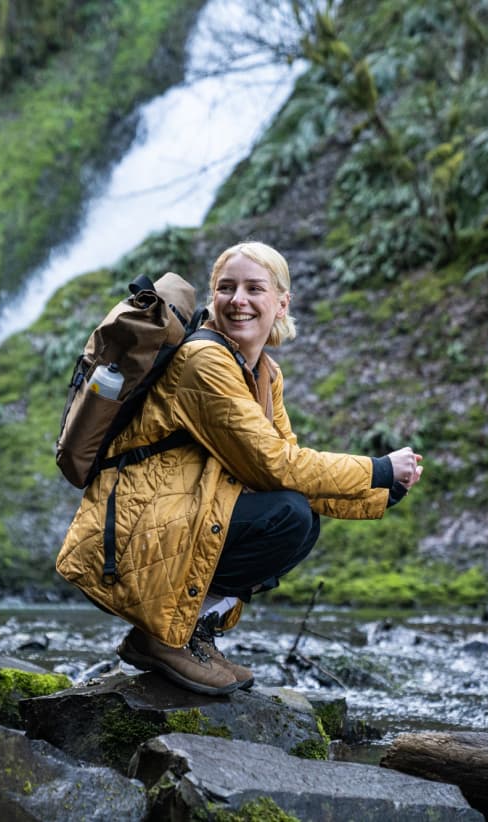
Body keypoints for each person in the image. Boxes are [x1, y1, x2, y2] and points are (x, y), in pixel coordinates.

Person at [56, 241, 423, 696]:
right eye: (226, 288)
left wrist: (376, 492)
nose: (239, 300)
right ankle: (164, 636)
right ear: (214, 298)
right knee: (287, 515)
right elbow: (275, 465)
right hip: (134, 532)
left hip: (169, 525)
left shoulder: (264, 372)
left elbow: (287, 465)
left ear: (281, 302)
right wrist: (378, 470)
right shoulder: (203, 362)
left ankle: (185, 632)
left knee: (300, 520)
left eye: (255, 288)